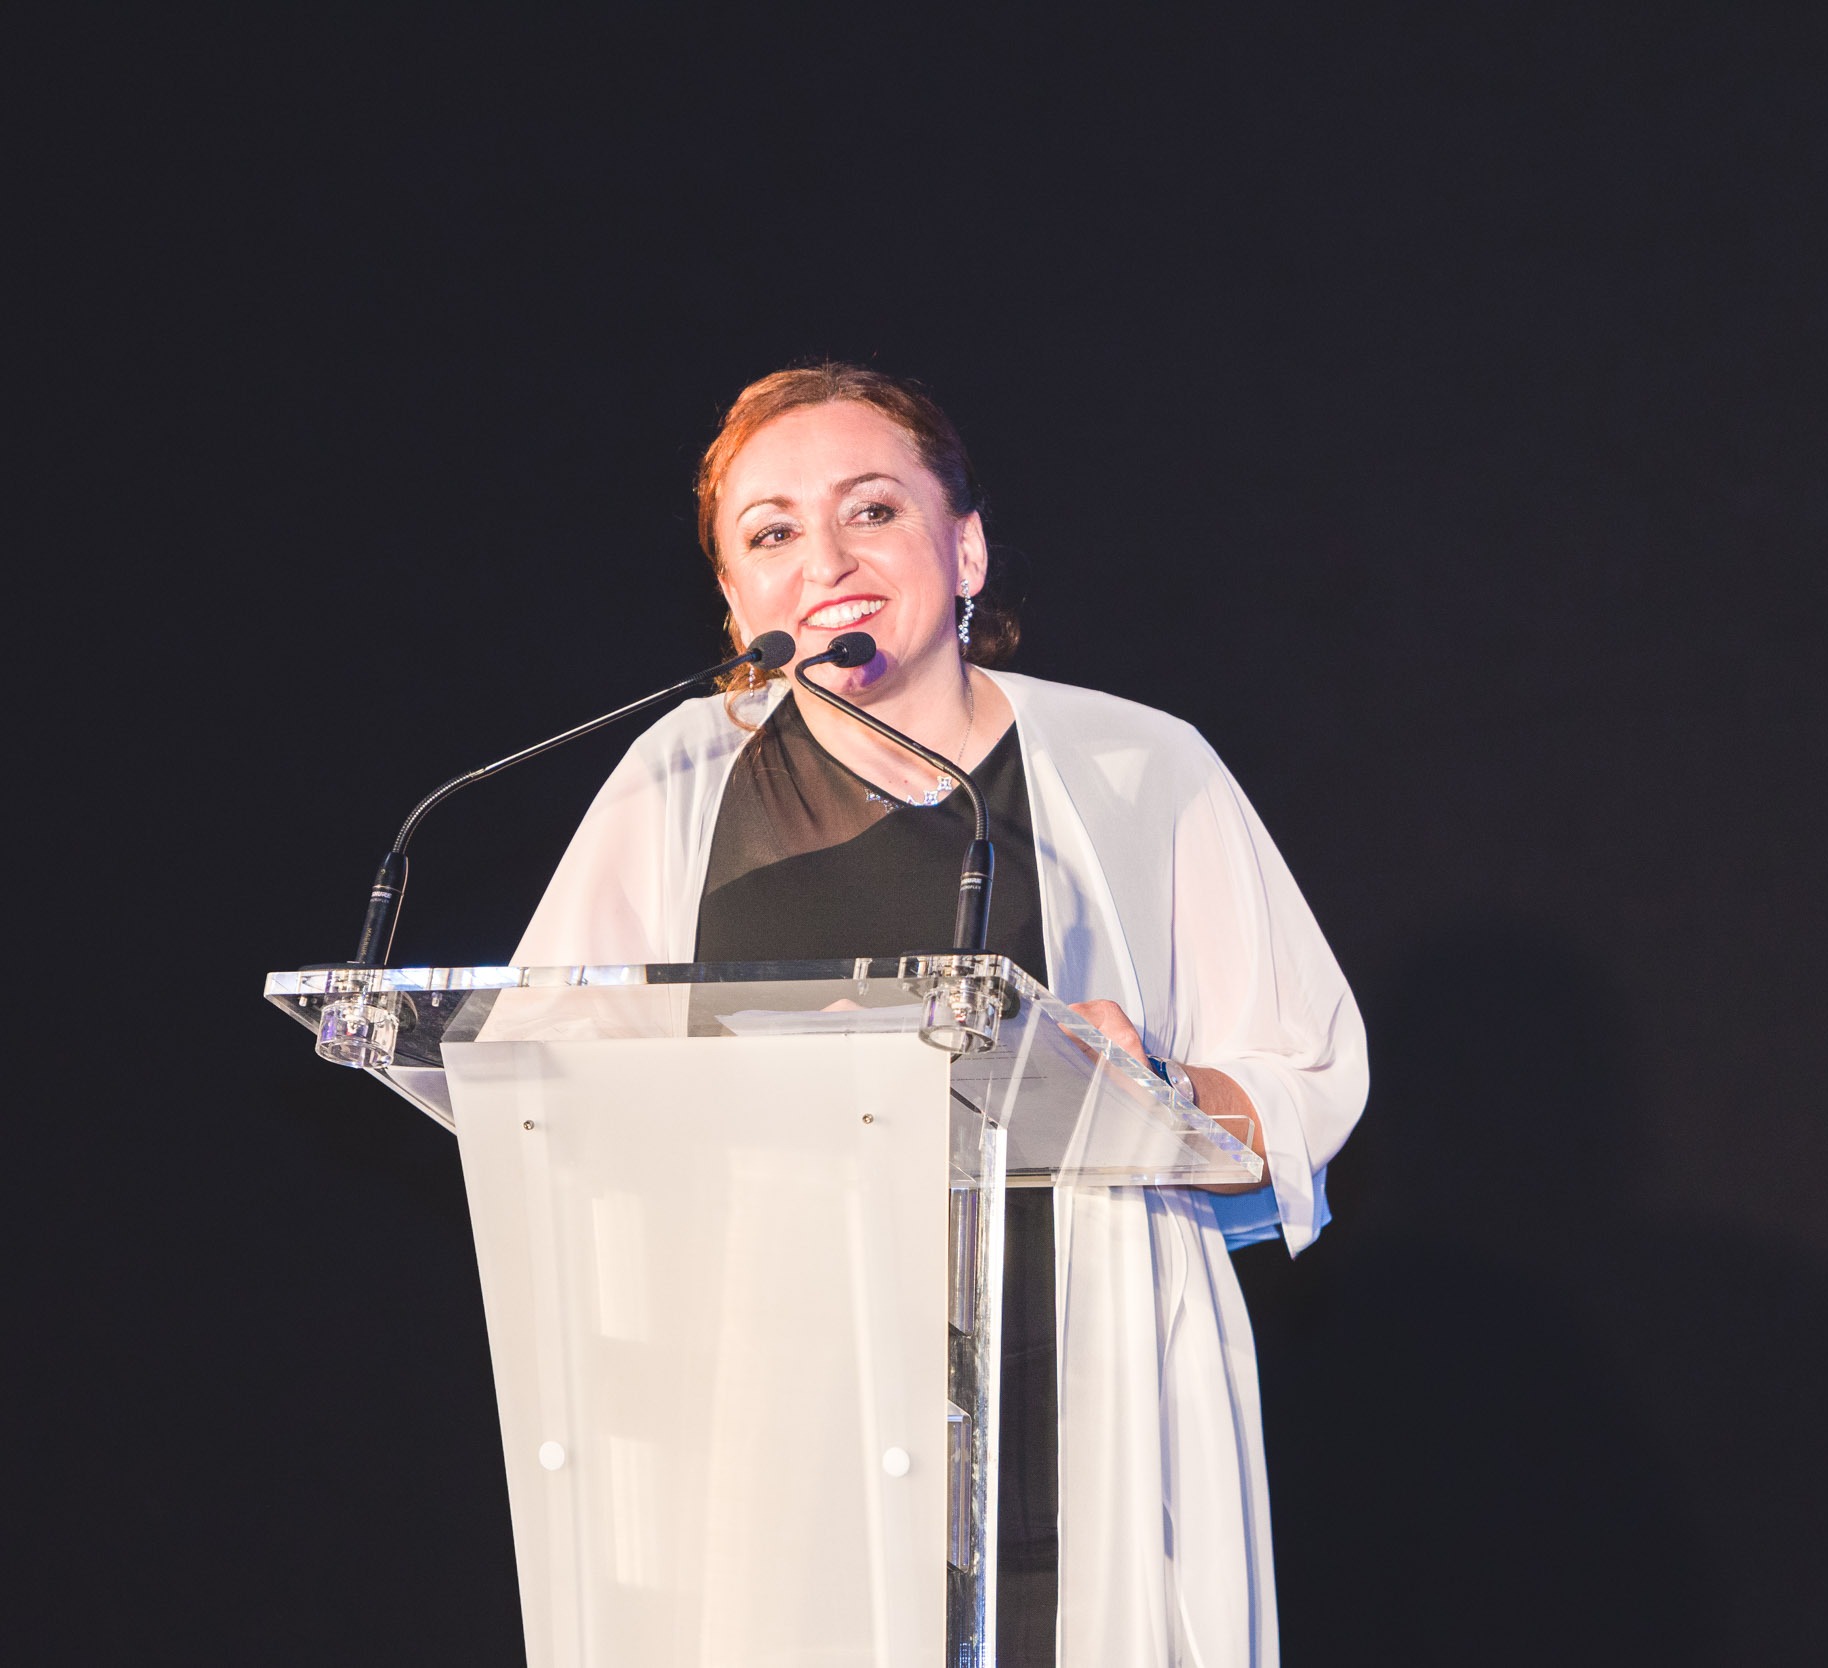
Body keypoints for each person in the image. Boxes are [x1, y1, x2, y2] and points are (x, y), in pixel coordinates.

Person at [511, 363, 1367, 1667]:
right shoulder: (676, 782)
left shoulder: (1141, 769)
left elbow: (1302, 1074)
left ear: (962, 546)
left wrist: (1162, 1091)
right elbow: (544, 1085)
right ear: (738, 598)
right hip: (780, 1447)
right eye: (772, 533)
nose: (827, 560)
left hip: (1077, 1439)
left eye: (872, 510)